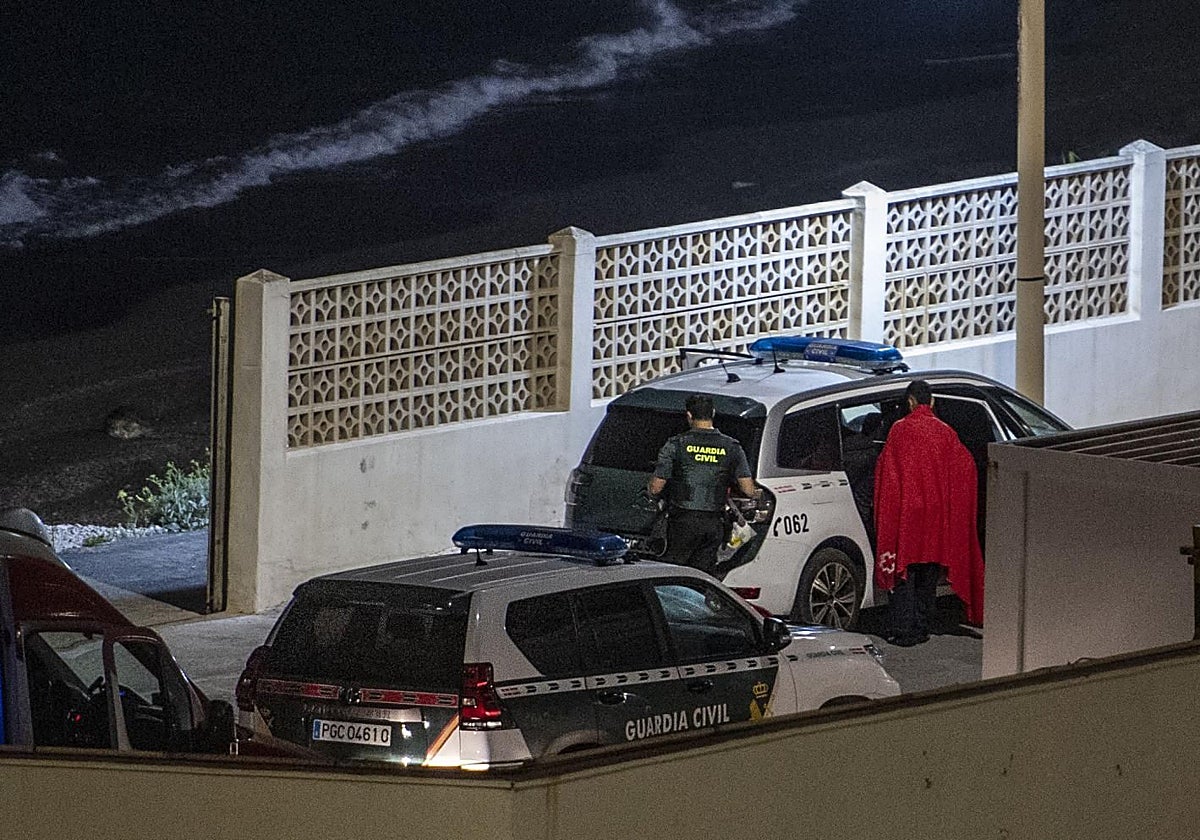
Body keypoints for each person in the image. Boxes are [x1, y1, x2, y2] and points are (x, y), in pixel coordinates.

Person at [873, 380, 984, 646]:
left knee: (905, 573)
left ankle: (904, 629)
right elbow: (966, 468)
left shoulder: (899, 430)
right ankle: (923, 625)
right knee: (928, 573)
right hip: (935, 515)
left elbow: (887, 473)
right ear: (931, 402)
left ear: (910, 402)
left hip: (907, 515)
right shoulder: (945, 432)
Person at [647, 393, 760, 575]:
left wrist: (653, 494)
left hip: (682, 521)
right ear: (713, 413)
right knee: (702, 575)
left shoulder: (676, 444)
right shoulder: (731, 446)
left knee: (672, 574)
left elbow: (655, 487)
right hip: (714, 523)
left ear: (689, 415)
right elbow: (748, 489)